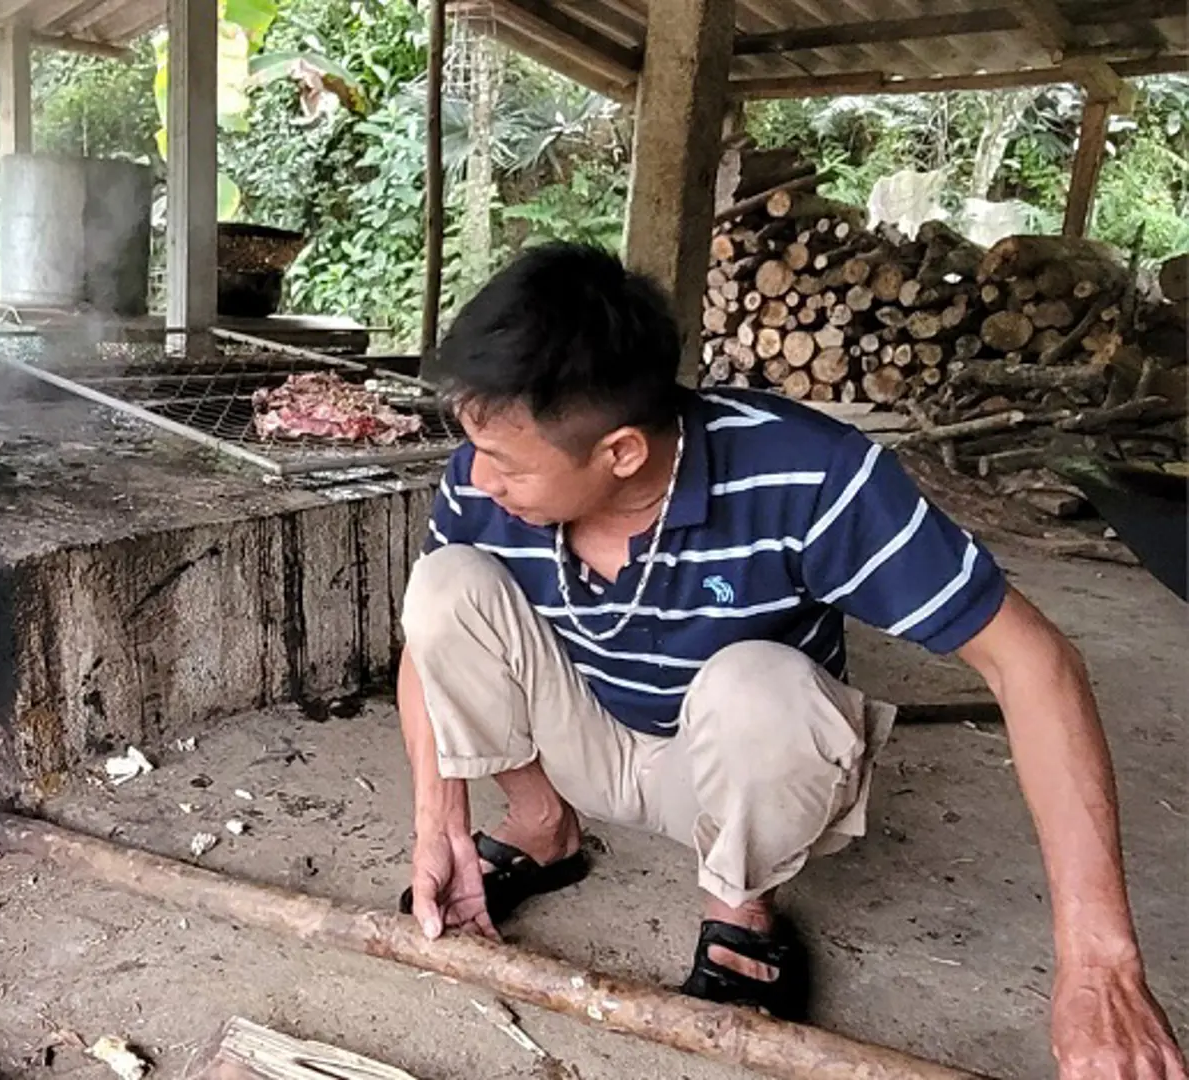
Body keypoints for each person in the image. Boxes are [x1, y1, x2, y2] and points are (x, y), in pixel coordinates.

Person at [401, 242, 1184, 1077]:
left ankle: (739, 905)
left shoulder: (811, 472)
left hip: (737, 769)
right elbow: (432, 648)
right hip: (584, 742)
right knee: (442, 588)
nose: (478, 479)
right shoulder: (482, 475)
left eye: (510, 465)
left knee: (758, 684)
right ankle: (543, 826)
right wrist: (436, 820)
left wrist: (1101, 962)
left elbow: (1036, 663)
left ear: (622, 451)